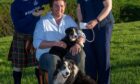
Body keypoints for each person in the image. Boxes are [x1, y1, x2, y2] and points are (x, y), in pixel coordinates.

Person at [33, 0, 86, 84]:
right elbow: (36, 43)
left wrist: (78, 43)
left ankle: (80, 81)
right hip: (47, 54)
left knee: (80, 53)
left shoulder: (68, 19)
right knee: (54, 60)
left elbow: (81, 34)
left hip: (65, 53)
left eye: (62, 6)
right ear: (51, 7)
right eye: (56, 6)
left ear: (65, 6)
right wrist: (54, 43)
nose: (59, 8)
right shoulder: (42, 22)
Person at [8, 0, 49, 84]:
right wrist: (32, 15)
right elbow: (18, 25)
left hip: (36, 35)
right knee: (18, 66)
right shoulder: (15, 5)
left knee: (40, 62)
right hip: (21, 36)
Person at [77, 0, 115, 84]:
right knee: (89, 58)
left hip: (103, 25)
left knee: (103, 57)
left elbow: (108, 6)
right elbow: (79, 8)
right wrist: (81, 22)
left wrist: (97, 20)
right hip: (87, 26)